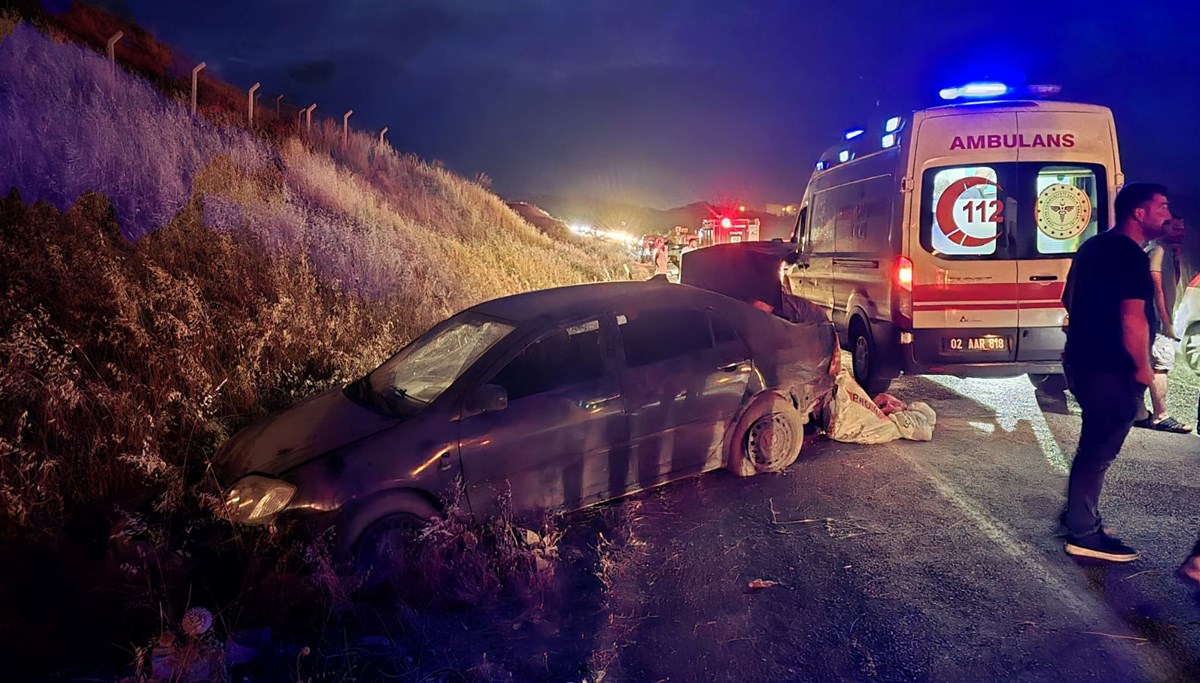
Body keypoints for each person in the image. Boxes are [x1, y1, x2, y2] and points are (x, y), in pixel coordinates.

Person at [1059, 182, 1172, 563]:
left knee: (1093, 442)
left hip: (1083, 360)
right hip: (1110, 367)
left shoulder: (1092, 246)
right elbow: (1132, 318)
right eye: (1161, 207)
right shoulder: (1129, 256)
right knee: (1099, 449)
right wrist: (1142, 367)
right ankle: (1084, 533)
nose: (1167, 214)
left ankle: (1079, 515)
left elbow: (1067, 299)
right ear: (1138, 213)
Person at [1134, 217, 1192, 432]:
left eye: (1182, 227)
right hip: (1157, 322)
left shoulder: (1160, 250)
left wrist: (1176, 260)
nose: (1181, 231)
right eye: (1175, 227)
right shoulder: (1157, 251)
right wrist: (1166, 321)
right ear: (1161, 228)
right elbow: (1157, 287)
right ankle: (1161, 415)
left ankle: (1138, 414)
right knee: (1161, 367)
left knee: (1148, 364)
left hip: (1151, 320)